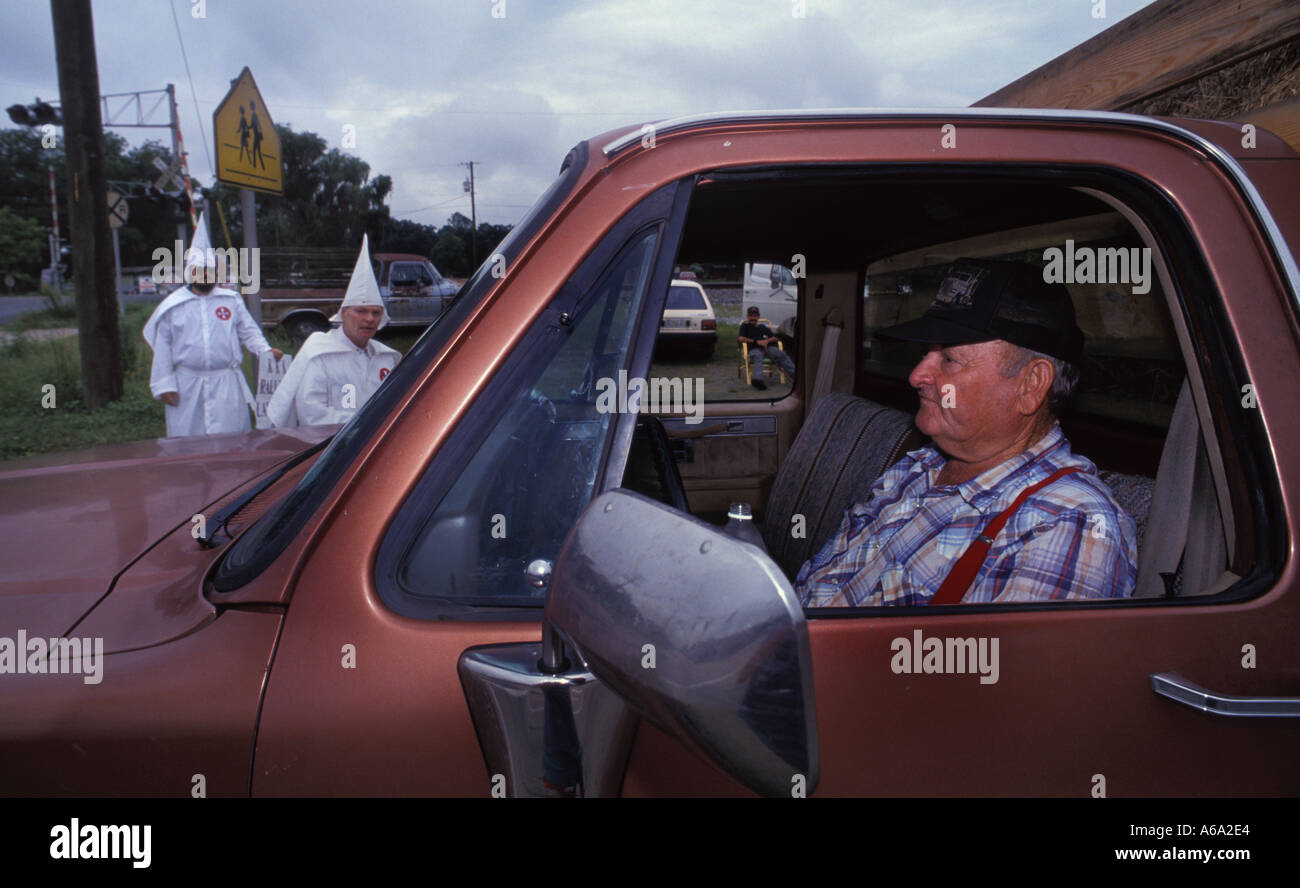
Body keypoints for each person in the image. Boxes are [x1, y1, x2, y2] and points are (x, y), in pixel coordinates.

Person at [795, 257, 1137, 607]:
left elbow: (994, 663)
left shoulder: (1066, 524)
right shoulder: (918, 467)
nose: (916, 376)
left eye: (949, 360)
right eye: (925, 354)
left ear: (1030, 385)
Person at [143, 213, 281, 437]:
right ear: (191, 272)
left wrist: (264, 351)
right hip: (187, 385)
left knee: (232, 439)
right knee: (188, 442)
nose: (205, 275)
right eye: (200, 271)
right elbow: (162, 347)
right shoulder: (173, 306)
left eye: (210, 271)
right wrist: (163, 385)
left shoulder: (230, 300)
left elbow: (249, 332)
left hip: (226, 382)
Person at [267, 234, 400, 427]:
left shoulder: (386, 358)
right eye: (361, 311)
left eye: (375, 312)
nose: (369, 319)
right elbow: (312, 414)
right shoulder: (321, 354)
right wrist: (364, 426)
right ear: (343, 314)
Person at [738, 306, 795, 390]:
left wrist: (766, 341)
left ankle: (795, 375)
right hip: (753, 349)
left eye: (755, 316)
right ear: (747, 316)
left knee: (781, 354)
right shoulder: (744, 326)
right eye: (750, 316)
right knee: (758, 355)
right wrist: (756, 342)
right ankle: (758, 380)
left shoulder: (763, 327)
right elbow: (741, 338)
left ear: (758, 317)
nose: (752, 318)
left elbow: (775, 337)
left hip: (768, 348)